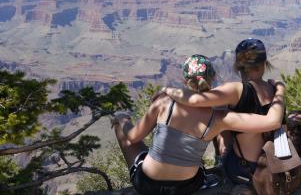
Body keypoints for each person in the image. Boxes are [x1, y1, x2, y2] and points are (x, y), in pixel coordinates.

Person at [112, 54, 285, 195]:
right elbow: (273, 121)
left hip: (147, 184)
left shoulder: (165, 101)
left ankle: (119, 120)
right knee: (208, 138)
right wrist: (279, 90)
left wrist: (123, 119)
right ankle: (218, 163)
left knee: (125, 132)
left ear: (184, 79)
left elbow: (133, 136)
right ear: (213, 78)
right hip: (187, 187)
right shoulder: (220, 117)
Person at [162, 38, 284, 185]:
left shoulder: (237, 89)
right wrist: (281, 88)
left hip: (246, 170)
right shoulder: (273, 88)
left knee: (218, 115)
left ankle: (217, 163)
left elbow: (196, 99)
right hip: (276, 163)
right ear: (265, 64)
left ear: (238, 66)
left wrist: (167, 90)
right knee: (223, 111)